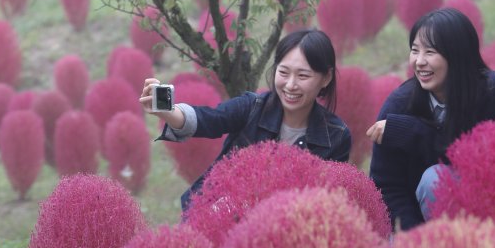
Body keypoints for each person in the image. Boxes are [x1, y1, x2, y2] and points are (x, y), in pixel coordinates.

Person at [141, 28, 352, 210]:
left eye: (303, 76)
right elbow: (208, 119)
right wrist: (167, 111)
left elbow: (322, 201)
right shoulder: (252, 107)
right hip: (217, 215)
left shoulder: (335, 136)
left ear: (326, 78)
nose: (290, 85)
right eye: (284, 72)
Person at [367, 7, 495, 231]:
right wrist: (417, 239)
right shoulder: (398, 106)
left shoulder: (492, 92)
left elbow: (478, 164)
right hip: (414, 223)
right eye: (415, 50)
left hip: (481, 213)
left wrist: (414, 133)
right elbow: (386, 187)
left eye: (430, 52)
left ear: (458, 55)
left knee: (435, 180)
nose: (419, 61)